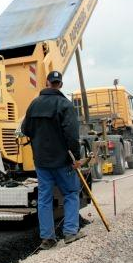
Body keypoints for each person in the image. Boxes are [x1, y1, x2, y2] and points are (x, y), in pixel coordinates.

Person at [21, 71, 84, 250]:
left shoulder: (34, 105)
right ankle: (71, 232)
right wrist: (76, 157)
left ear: (47, 82)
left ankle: (48, 238)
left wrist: (40, 139)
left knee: (44, 199)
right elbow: (72, 135)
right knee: (71, 194)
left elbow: (26, 129)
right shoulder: (65, 104)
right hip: (63, 161)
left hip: (41, 161)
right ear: (60, 85)